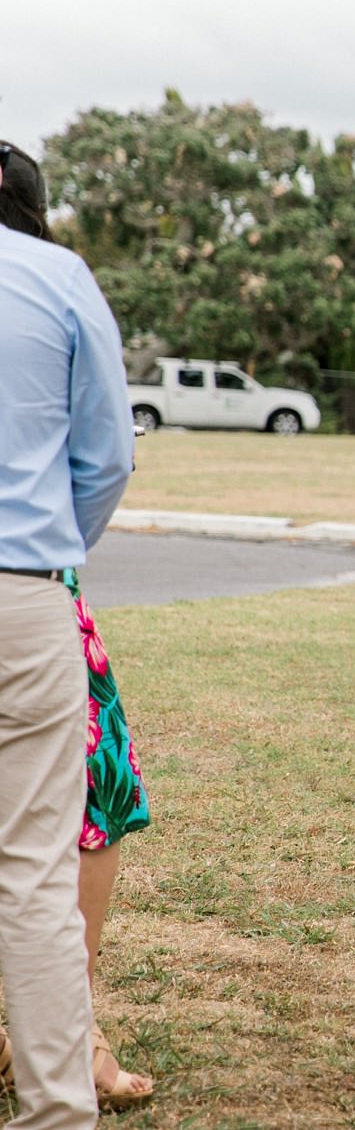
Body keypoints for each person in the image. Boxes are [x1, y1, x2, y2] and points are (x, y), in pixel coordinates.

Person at [0, 144, 155, 1118]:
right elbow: (107, 455)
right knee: (35, 871)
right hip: (22, 593)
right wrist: (53, 557)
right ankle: (57, 1104)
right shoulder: (56, 277)